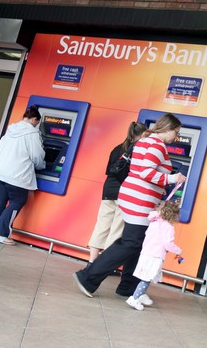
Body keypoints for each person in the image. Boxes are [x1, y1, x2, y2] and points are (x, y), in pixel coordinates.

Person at [73, 113, 187, 299]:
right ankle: (88, 277)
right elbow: (146, 172)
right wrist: (172, 178)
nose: (176, 137)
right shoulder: (156, 145)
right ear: (167, 128)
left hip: (133, 196)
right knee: (130, 243)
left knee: (137, 243)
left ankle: (129, 287)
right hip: (140, 200)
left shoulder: (144, 141)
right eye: (176, 132)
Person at [0, 105, 46, 245]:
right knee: (17, 201)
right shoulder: (32, 134)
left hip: (0, 171)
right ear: (35, 119)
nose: (37, 125)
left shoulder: (12, 128)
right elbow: (37, 156)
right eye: (37, 123)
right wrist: (42, 165)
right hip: (17, 175)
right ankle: (0, 233)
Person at [87, 121, 147, 264]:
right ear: (143, 134)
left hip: (108, 190)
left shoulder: (118, 148)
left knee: (102, 224)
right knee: (116, 228)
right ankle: (105, 263)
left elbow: (109, 171)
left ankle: (92, 261)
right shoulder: (139, 151)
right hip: (124, 192)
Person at [126, 194, 182, 311]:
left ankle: (140, 295)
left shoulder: (155, 221)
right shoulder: (168, 227)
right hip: (155, 256)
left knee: (145, 276)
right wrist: (178, 250)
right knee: (146, 278)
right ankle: (135, 298)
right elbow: (168, 244)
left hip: (146, 253)